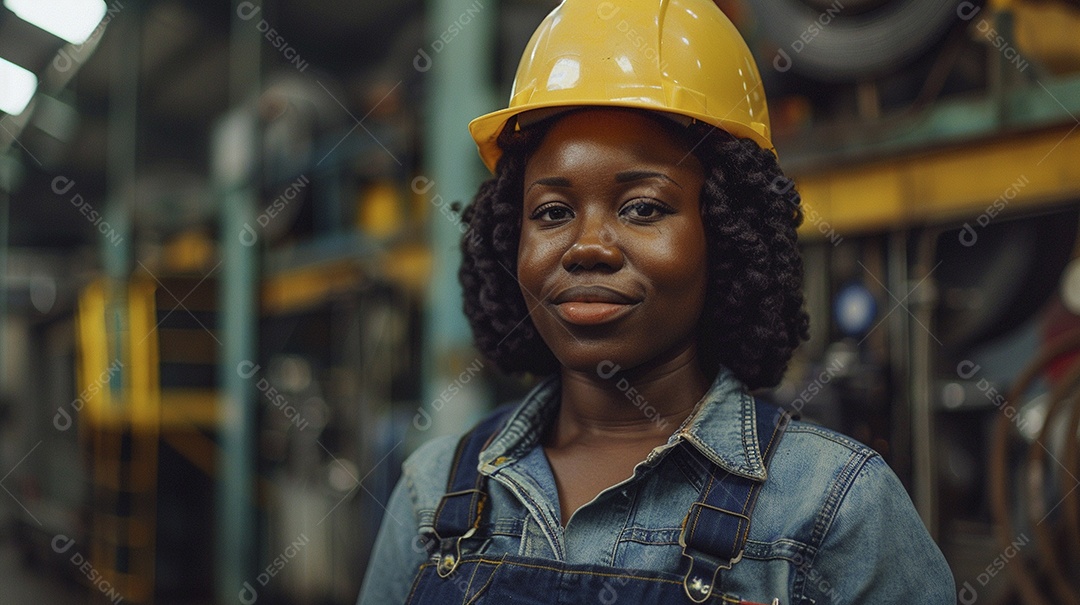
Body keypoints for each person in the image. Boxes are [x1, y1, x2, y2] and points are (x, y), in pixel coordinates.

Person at [359, 0, 956, 602]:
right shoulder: (433, 493)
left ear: (725, 233)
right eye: (553, 212)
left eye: (642, 207)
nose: (587, 247)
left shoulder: (830, 508)